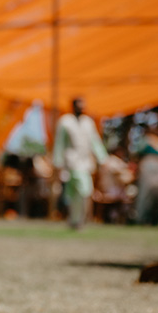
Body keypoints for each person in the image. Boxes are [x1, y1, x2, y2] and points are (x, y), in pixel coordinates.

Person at [52, 97, 107, 230]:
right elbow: (59, 143)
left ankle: (79, 219)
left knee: (85, 191)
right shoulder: (65, 122)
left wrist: (102, 158)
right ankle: (74, 219)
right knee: (72, 193)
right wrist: (57, 162)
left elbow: (95, 141)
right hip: (70, 163)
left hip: (85, 163)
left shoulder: (88, 122)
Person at [134, 126, 158, 227]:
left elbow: (136, 152)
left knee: (145, 194)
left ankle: (142, 218)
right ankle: (155, 218)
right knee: (157, 193)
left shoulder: (146, 140)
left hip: (148, 167)